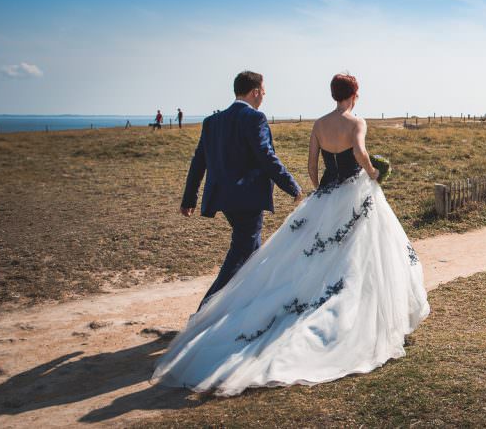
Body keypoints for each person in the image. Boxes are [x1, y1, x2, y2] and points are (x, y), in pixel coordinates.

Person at [153, 72, 429, 397]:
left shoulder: (310, 124)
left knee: (269, 253)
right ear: (354, 94)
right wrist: (371, 173)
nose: (264, 94)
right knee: (347, 252)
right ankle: (217, 311)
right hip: (344, 191)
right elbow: (356, 154)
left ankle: (227, 308)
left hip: (310, 194)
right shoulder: (355, 123)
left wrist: (316, 190)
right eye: (263, 90)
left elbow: (312, 161)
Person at [178, 70, 303, 310]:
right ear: (255, 91)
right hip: (247, 198)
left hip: (223, 198)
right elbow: (266, 156)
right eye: (263, 92)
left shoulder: (212, 122)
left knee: (253, 254)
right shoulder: (254, 118)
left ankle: (248, 308)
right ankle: (204, 312)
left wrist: (189, 198)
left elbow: (199, 161)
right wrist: (292, 186)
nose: (264, 96)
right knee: (241, 253)